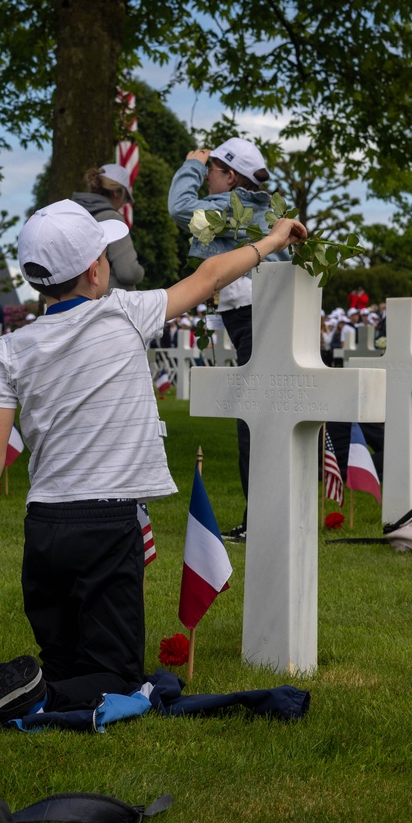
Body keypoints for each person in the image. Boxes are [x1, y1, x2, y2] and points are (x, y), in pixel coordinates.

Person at [0, 200, 306, 731]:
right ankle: (14, 696)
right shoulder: (124, 312)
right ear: (97, 270)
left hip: (45, 528)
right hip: (105, 525)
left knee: (66, 665)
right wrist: (272, 240)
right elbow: (210, 275)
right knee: (116, 679)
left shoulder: (12, 349)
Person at [168, 137, 289, 542]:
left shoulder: (233, 207)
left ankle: (261, 523)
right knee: (260, 419)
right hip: (259, 317)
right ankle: (266, 518)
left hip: (253, 318)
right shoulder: (263, 210)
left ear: (231, 177)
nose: (205, 180)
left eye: (210, 172)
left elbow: (180, 208)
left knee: (253, 419)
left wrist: (189, 163)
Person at [71, 162, 144, 291]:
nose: (123, 204)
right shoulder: (111, 217)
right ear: (116, 193)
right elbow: (128, 272)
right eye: (125, 198)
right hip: (108, 304)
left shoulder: (73, 215)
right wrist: (140, 270)